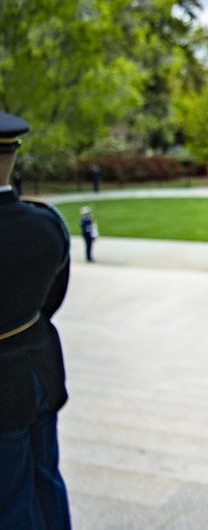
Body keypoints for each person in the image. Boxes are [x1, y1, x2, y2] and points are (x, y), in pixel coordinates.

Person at [0, 112, 72, 529]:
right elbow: (51, 300)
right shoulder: (45, 223)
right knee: (47, 483)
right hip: (40, 369)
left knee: (9, 502)